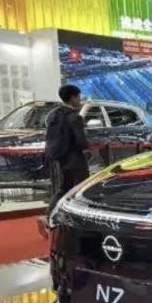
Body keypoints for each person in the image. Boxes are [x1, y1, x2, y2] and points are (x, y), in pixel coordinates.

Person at [45, 85, 91, 218]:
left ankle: (50, 214)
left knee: (64, 188)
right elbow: (81, 142)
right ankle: (81, 217)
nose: (80, 99)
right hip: (76, 160)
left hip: (60, 159)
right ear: (72, 98)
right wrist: (88, 147)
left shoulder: (54, 115)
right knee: (83, 188)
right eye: (78, 96)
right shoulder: (75, 117)